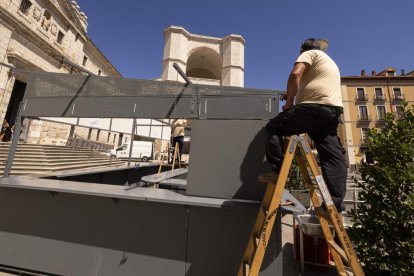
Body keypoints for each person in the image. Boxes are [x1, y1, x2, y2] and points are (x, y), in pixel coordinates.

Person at [259, 38, 347, 212]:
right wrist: (290, 93)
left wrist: (289, 102)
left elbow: (295, 74)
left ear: (301, 49)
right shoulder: (327, 61)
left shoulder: (309, 53)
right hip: (331, 112)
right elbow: (310, 85)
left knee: (273, 128)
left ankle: (277, 171)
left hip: (313, 109)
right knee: (332, 156)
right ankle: (335, 203)